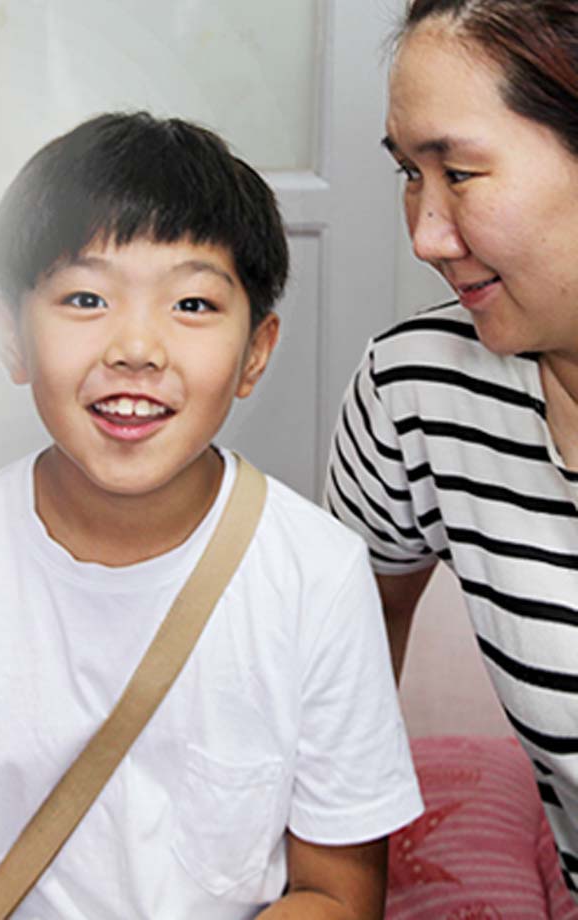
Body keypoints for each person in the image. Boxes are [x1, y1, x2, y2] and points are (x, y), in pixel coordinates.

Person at [0, 112, 422, 920]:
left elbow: (338, 892)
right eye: (86, 298)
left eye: (192, 303)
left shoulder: (317, 572)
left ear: (256, 351)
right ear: (11, 338)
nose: (137, 348)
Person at [325, 0, 578, 898]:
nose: (426, 237)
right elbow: (345, 659)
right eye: (410, 173)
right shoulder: (418, 389)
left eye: (460, 173)